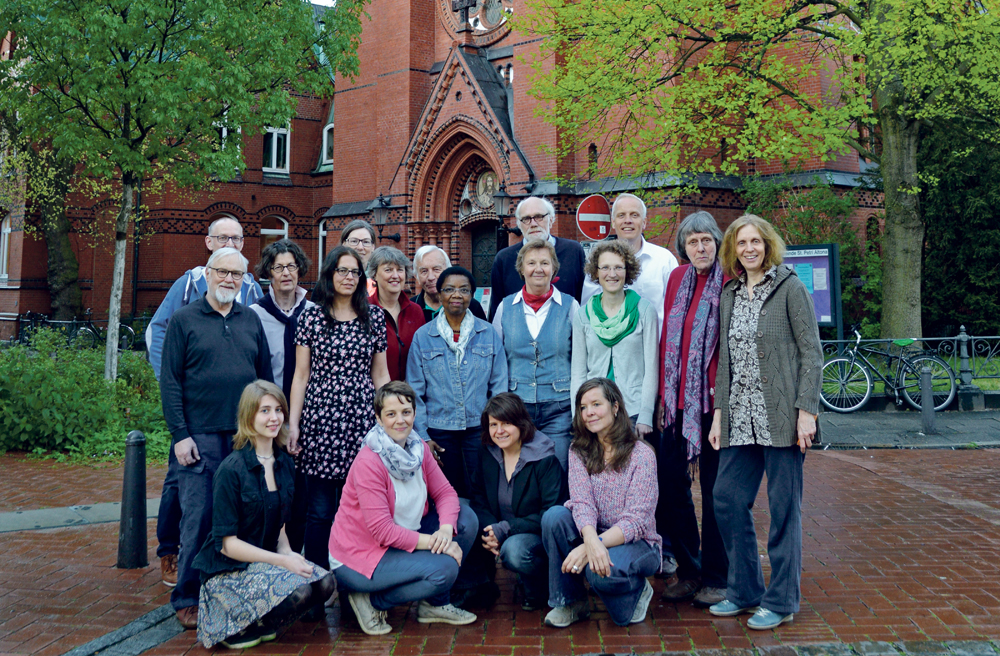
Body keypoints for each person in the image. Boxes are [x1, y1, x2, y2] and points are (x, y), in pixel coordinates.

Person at [707, 214, 823, 630]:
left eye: (755, 241)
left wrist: (806, 411)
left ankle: (782, 600)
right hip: (739, 417)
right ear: (733, 250)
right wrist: (719, 415)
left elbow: (812, 352)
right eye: (741, 243)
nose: (749, 249)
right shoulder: (731, 293)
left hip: (783, 418)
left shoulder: (790, 287)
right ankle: (744, 590)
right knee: (725, 498)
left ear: (768, 244)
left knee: (783, 509)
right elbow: (726, 362)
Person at [159, 247, 274, 629]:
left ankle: (231, 591)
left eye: (236, 274)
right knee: (200, 516)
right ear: (207, 274)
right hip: (200, 437)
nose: (229, 279)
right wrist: (180, 435)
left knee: (242, 517)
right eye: (222, 272)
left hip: (243, 437)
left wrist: (266, 430)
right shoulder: (184, 320)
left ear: (244, 280)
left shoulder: (250, 319)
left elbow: (264, 379)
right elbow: (170, 381)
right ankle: (188, 597)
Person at [288, 245, 390, 618]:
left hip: (362, 421)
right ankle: (319, 583)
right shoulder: (311, 317)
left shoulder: (373, 317)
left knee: (359, 508)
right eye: (342, 271)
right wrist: (293, 423)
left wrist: (388, 423)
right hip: (320, 420)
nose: (349, 277)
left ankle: (353, 582)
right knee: (319, 511)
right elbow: (301, 375)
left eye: (355, 272)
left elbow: (380, 374)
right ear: (329, 274)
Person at [328, 381, 478, 634]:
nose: (400, 421)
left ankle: (433, 605)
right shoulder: (369, 462)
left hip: (403, 536)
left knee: (465, 519)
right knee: (444, 570)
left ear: (414, 414)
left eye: (406, 412)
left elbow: (445, 493)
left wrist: (444, 530)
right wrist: (438, 543)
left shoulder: (418, 448)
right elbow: (382, 532)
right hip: (361, 555)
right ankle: (372, 601)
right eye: (391, 414)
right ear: (378, 418)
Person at [193, 381, 334, 650]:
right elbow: (227, 544)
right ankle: (233, 621)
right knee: (300, 591)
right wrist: (282, 561)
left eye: (278, 410)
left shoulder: (284, 463)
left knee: (324, 584)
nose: (274, 418)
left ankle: (261, 619)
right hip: (230, 570)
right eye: (265, 411)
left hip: (264, 564)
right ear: (249, 416)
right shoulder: (231, 470)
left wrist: (289, 553)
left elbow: (279, 525)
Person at [540, 378, 661, 628]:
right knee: (554, 517)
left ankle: (639, 588)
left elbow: (636, 521)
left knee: (601, 578)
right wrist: (591, 540)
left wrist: (592, 546)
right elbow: (582, 502)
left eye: (596, 404)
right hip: (597, 534)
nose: (589, 412)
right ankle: (571, 602)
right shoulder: (579, 450)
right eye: (583, 407)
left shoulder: (642, 454)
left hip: (638, 543)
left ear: (615, 407)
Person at [655, 211, 729, 608]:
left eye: (706, 240)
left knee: (717, 494)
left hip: (713, 406)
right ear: (683, 247)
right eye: (692, 242)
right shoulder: (676, 278)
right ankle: (690, 570)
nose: (700, 248)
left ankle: (718, 577)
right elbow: (667, 338)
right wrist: (662, 398)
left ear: (717, 242)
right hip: (675, 404)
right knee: (670, 486)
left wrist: (722, 406)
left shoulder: (730, 281)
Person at [407, 266, 508, 499]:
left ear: (472, 294)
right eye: (449, 289)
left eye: (464, 289)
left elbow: (499, 385)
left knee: (481, 491)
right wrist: (423, 436)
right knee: (446, 494)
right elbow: (414, 391)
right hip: (439, 431)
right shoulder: (423, 337)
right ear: (439, 293)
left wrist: (495, 425)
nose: (456, 295)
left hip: (480, 428)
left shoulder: (488, 333)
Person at [468, 393, 568, 611]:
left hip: (537, 536)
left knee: (514, 551)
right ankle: (481, 586)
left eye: (506, 423)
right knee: (463, 514)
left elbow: (550, 513)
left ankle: (542, 586)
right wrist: (491, 530)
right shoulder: (487, 452)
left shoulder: (544, 459)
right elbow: (478, 496)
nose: (499, 431)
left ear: (521, 423)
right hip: (501, 528)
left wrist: (506, 529)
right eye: (493, 424)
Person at [492, 239, 579, 469]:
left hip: (559, 407)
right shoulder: (505, 307)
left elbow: (580, 359)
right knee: (520, 470)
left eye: (544, 263)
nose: (538, 269)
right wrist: (499, 404)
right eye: (531, 263)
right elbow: (497, 362)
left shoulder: (571, 306)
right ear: (521, 269)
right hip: (517, 406)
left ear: (554, 268)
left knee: (557, 467)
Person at [251, 238, 314, 554]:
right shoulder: (253, 315)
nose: (286, 273)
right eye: (278, 268)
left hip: (309, 416)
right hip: (270, 417)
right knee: (272, 488)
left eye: (291, 266)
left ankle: (299, 553)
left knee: (303, 492)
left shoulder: (315, 313)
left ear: (300, 269)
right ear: (268, 273)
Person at [571, 240, 659, 440]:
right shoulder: (583, 315)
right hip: (594, 413)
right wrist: (578, 415)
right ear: (596, 272)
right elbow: (578, 372)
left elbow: (651, 369)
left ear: (628, 271)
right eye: (605, 268)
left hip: (633, 411)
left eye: (619, 267)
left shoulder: (644, 311)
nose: (612, 274)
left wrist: (646, 414)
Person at [581, 193, 678, 330]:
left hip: (654, 342)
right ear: (613, 222)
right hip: (609, 341)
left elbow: (676, 311)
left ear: (644, 222)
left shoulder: (664, 260)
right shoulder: (599, 262)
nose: (628, 220)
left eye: (634, 215)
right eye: (621, 215)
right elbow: (588, 311)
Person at [488, 197, 586, 323]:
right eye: (526, 219)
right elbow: (497, 312)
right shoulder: (504, 259)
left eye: (539, 217)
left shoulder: (573, 251)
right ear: (519, 224)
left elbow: (583, 300)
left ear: (551, 219)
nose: (533, 224)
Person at [367, 246, 425, 381]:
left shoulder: (415, 311)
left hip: (410, 390)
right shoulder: (364, 311)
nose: (395, 275)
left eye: (400, 270)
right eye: (388, 270)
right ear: (374, 274)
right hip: (375, 390)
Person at [412, 244, 487, 323]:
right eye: (424, 271)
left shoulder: (470, 305)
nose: (431, 277)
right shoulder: (410, 309)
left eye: (436, 269)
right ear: (416, 277)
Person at [339, 219, 377, 295]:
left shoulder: (380, 279)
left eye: (366, 242)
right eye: (354, 241)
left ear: (373, 247)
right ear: (344, 244)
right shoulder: (331, 278)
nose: (360, 247)